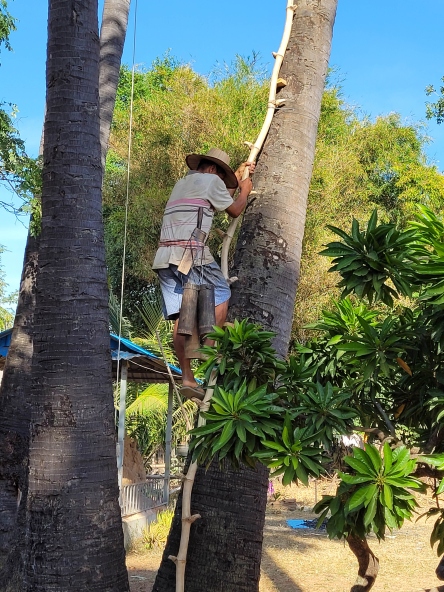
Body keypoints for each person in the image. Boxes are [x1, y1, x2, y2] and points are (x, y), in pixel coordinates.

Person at [152, 148, 254, 399]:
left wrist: (239, 175)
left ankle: (187, 377)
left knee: (182, 315)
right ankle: (210, 347)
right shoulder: (210, 181)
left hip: (165, 257)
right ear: (212, 170)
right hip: (190, 254)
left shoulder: (185, 183)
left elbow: (218, 200)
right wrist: (245, 190)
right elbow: (234, 209)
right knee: (220, 291)